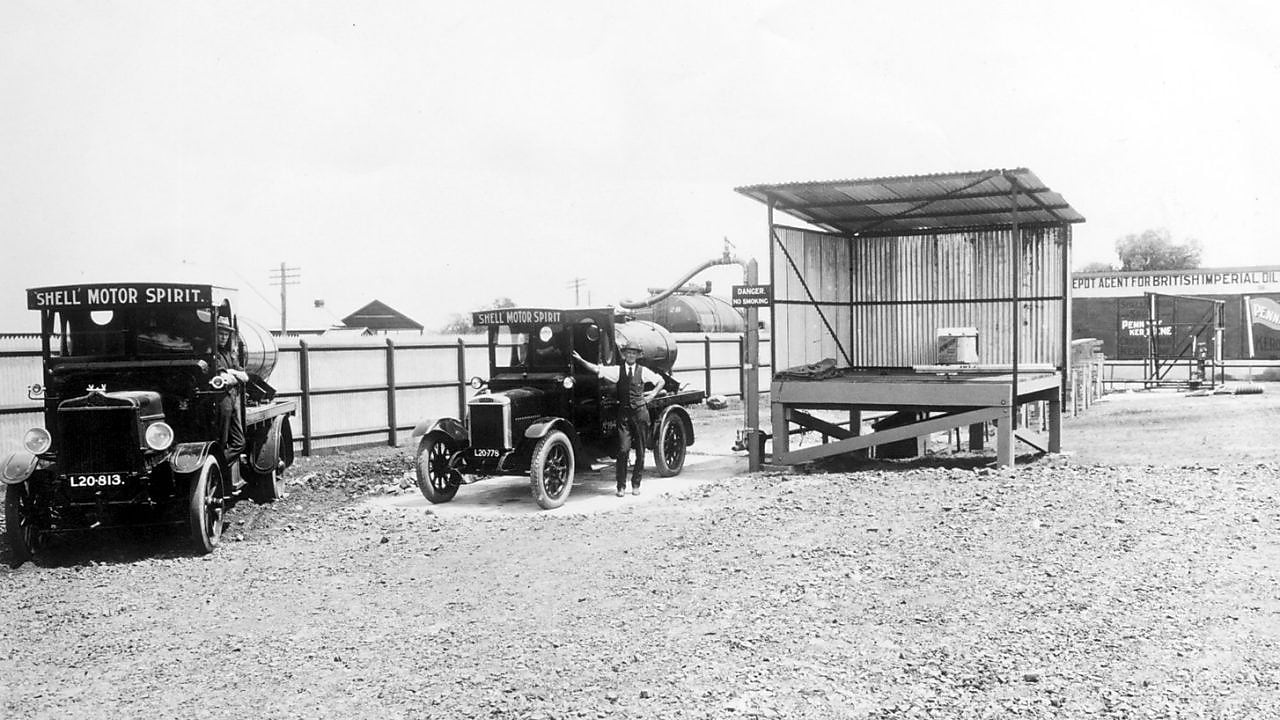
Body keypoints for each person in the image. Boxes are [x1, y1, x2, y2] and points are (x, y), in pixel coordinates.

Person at [572, 341, 665, 497]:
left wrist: (653, 394)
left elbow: (660, 381)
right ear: (624, 354)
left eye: (634, 353)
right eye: (628, 352)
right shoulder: (617, 371)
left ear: (637, 355)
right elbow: (597, 369)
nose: (630, 355)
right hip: (624, 415)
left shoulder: (643, 371)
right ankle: (620, 486)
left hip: (640, 414)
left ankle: (636, 484)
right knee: (623, 450)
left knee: (641, 452)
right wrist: (581, 361)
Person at [213, 315, 249, 467]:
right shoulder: (213, 355)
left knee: (239, 443)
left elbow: (245, 377)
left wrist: (230, 372)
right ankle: (216, 468)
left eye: (226, 334)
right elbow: (224, 378)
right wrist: (232, 374)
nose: (223, 337)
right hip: (223, 403)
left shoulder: (229, 355)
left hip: (233, 402)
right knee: (222, 440)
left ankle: (218, 465)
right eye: (220, 333)